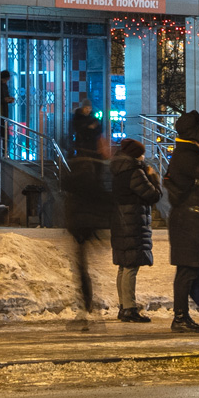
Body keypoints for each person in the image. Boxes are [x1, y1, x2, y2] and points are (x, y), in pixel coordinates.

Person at [165, 111, 199, 333]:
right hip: (189, 223)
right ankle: (180, 317)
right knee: (186, 271)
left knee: (187, 270)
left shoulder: (185, 154)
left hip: (189, 222)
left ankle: (181, 316)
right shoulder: (187, 157)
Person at [61, 96, 111, 325]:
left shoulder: (77, 178)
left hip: (80, 225)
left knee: (82, 268)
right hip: (85, 224)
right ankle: (88, 305)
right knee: (84, 268)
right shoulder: (91, 176)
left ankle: (87, 305)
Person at [110, 138, 161, 323]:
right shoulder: (135, 172)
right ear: (135, 154)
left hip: (121, 222)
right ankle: (129, 309)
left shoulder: (118, 171)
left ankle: (124, 306)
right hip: (132, 222)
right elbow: (153, 195)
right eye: (142, 152)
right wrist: (153, 176)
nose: (144, 156)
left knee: (124, 266)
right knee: (131, 266)